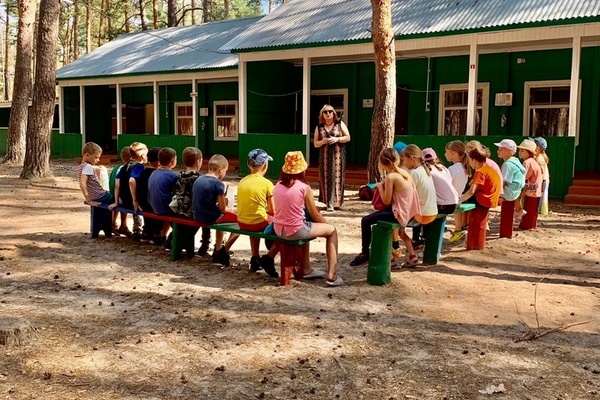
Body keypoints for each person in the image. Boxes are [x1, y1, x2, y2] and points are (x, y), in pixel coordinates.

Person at [273, 151, 341, 285]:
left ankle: (306, 268)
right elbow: (315, 214)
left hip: (279, 229)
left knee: (307, 226)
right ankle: (332, 274)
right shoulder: (304, 188)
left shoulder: (278, 185)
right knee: (332, 231)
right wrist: (326, 224)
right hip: (296, 231)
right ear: (302, 170)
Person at [350, 147, 422, 268]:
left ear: (382, 163)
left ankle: (365, 253)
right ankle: (393, 257)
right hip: (409, 212)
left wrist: (379, 186)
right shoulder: (404, 173)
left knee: (366, 220)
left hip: (399, 214)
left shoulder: (391, 177)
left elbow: (386, 200)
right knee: (379, 215)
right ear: (398, 159)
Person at [236, 149, 280, 277]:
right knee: (278, 223)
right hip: (259, 223)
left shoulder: (242, 181)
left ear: (249, 165)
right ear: (265, 165)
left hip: (242, 222)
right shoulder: (267, 184)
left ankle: (255, 257)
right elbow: (272, 210)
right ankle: (269, 255)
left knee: (254, 217)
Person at [192, 154, 239, 267]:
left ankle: (218, 248)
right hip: (210, 217)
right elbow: (223, 208)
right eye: (226, 170)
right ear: (221, 168)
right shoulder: (218, 184)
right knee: (239, 223)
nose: (225, 173)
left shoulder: (199, 179)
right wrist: (235, 211)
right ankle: (221, 250)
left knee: (221, 217)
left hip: (196, 214)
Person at [400, 144, 438, 260]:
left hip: (423, 216)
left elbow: (407, 195)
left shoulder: (415, 173)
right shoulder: (424, 170)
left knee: (392, 223)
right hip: (433, 212)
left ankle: (396, 256)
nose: (404, 163)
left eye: (404, 160)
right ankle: (411, 255)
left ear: (411, 158)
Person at [459, 146, 501, 250]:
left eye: (469, 160)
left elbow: (471, 191)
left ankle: (462, 227)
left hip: (484, 200)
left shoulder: (480, 171)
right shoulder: (489, 169)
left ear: (474, 160)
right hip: (491, 199)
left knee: (463, 197)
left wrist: (458, 200)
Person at [173, 147, 211, 257]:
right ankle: (205, 244)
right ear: (198, 162)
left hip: (180, 211)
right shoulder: (199, 179)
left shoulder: (179, 176)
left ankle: (172, 238)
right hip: (193, 213)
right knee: (207, 211)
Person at [313, 105, 351, 212]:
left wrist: (336, 139)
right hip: (325, 157)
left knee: (337, 178)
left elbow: (348, 137)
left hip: (338, 156)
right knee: (326, 178)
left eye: (330, 111)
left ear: (334, 113)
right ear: (322, 115)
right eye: (325, 112)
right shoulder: (319, 127)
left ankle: (337, 202)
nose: (328, 113)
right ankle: (329, 203)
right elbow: (315, 143)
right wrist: (322, 141)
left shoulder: (339, 124)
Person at [110, 142, 148, 240]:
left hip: (123, 199)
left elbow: (117, 184)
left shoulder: (124, 167)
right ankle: (138, 230)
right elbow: (132, 181)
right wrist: (135, 200)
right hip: (132, 201)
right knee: (143, 205)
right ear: (142, 156)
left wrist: (116, 202)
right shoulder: (139, 167)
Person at [148, 147, 179, 248]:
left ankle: (162, 236)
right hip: (165, 208)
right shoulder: (173, 176)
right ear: (173, 161)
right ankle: (172, 239)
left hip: (154, 206)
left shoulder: (154, 172)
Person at [494, 139, 525, 239]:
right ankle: (519, 210)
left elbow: (503, 181)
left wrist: (496, 192)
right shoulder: (515, 161)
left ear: (510, 152)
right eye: (499, 149)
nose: (498, 151)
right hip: (515, 191)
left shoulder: (508, 164)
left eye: (501, 149)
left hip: (509, 193)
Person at [444, 140, 469, 241]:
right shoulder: (464, 167)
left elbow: (445, 185)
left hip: (451, 200)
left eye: (446, 152)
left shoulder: (453, 168)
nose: (445, 154)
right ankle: (458, 229)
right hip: (458, 197)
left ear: (453, 153)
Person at [136, 147, 162, 244]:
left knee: (148, 216)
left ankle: (146, 233)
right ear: (159, 161)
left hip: (143, 202)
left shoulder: (143, 172)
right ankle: (157, 235)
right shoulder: (156, 174)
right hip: (152, 203)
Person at [422, 148, 459, 215]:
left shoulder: (426, 170)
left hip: (444, 205)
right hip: (455, 203)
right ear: (436, 158)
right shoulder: (443, 168)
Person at [516, 139, 543, 230]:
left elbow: (524, 176)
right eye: (520, 150)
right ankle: (532, 225)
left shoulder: (527, 162)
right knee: (533, 210)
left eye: (522, 150)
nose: (520, 152)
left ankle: (527, 226)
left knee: (528, 209)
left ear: (529, 152)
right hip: (536, 189)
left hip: (530, 189)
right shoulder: (534, 161)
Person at [78, 142, 112, 207]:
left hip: (93, 196)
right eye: (96, 157)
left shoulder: (81, 167)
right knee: (119, 197)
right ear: (87, 155)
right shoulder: (88, 167)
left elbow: (90, 169)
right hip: (100, 195)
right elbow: (82, 184)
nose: (98, 160)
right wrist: (88, 200)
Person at [109, 146, 131, 236]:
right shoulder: (127, 169)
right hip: (120, 198)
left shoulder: (116, 168)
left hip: (113, 196)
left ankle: (113, 223)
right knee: (128, 198)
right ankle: (124, 225)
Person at [533, 137, 550, 216]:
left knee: (541, 194)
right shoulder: (540, 156)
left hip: (543, 179)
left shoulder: (539, 158)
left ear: (538, 148)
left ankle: (539, 209)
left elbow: (540, 171)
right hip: (544, 179)